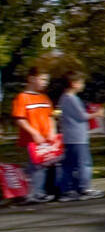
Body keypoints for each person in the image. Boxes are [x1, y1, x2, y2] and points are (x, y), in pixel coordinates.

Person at [57, 71, 105, 201]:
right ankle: (84, 188)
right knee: (84, 163)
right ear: (74, 84)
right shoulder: (72, 98)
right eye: (81, 82)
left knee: (69, 164)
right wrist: (97, 114)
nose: (83, 85)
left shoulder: (63, 98)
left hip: (69, 137)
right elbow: (82, 116)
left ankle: (68, 190)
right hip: (78, 137)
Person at [12, 66, 55, 204]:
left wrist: (52, 131)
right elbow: (20, 119)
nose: (45, 82)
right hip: (31, 140)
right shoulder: (23, 97)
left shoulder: (44, 97)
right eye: (42, 79)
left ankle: (38, 192)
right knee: (34, 167)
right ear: (31, 79)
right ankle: (31, 193)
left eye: (46, 79)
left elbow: (50, 116)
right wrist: (34, 132)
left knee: (41, 166)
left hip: (44, 140)